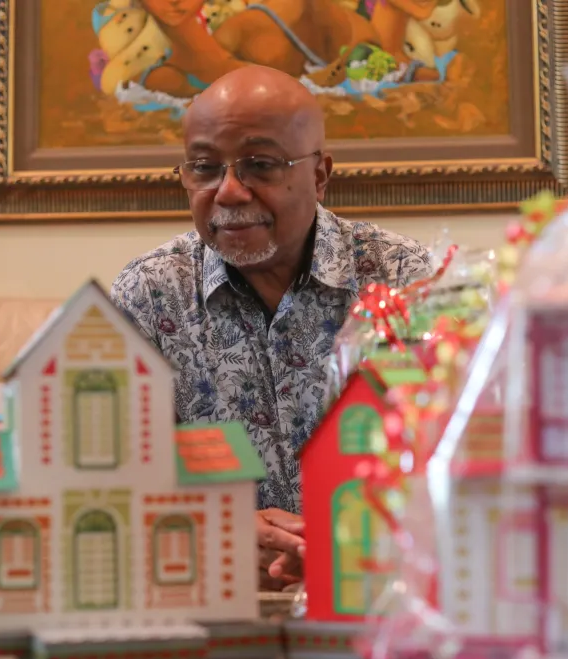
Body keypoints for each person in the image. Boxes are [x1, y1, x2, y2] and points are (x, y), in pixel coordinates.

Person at [110, 65, 432, 590]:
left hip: (376, 589)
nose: (229, 192)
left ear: (320, 175)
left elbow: (453, 456)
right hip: (218, 599)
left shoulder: (402, 279)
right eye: (204, 168)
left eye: (259, 165)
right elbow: (114, 477)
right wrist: (218, 533)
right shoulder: (149, 294)